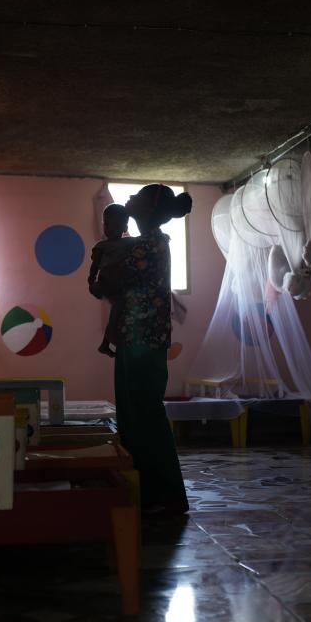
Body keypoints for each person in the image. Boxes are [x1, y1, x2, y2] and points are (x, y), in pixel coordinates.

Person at [89, 184, 192, 516]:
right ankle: (143, 490)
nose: (129, 199)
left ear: (148, 210)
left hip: (143, 341)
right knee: (133, 414)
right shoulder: (145, 243)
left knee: (144, 413)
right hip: (135, 339)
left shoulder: (148, 245)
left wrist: (99, 277)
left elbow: (107, 285)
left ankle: (164, 493)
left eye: (137, 198)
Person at [88, 204, 130, 357]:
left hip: (119, 285)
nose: (110, 228)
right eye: (106, 224)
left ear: (125, 228)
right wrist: (91, 281)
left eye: (116, 225)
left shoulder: (129, 242)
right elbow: (95, 265)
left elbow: (145, 242)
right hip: (106, 282)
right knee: (119, 306)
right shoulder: (101, 246)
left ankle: (106, 343)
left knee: (118, 309)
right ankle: (111, 338)